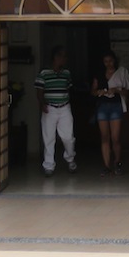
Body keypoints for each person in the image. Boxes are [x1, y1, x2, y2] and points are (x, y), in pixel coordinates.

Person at [35, 47, 77, 177]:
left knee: (68, 137)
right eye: (63, 56)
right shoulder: (44, 73)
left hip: (65, 107)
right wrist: (42, 104)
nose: (65, 59)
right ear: (56, 57)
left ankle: (70, 159)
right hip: (50, 108)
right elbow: (39, 91)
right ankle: (48, 165)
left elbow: (68, 88)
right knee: (49, 138)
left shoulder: (66, 73)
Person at [91, 52, 129, 177]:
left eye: (110, 61)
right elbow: (93, 91)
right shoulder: (99, 74)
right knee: (104, 137)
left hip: (116, 106)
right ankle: (106, 166)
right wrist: (99, 92)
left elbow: (128, 92)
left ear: (114, 61)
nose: (108, 64)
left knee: (115, 138)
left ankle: (117, 162)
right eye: (106, 61)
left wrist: (116, 90)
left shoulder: (121, 73)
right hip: (102, 106)